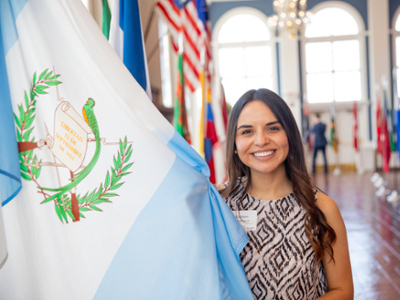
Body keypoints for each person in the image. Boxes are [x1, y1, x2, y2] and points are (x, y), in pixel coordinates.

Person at [218, 89, 353, 300]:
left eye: (272, 128)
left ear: (289, 134)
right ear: (234, 144)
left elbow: (343, 292)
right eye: (247, 131)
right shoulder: (219, 206)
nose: (261, 140)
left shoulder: (322, 208)